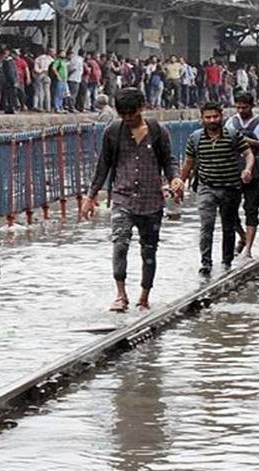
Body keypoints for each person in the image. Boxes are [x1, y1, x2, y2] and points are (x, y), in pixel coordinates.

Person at [81, 88, 183, 312]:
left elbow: (169, 161)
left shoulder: (157, 131)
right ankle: (121, 294)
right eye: (123, 114)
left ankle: (144, 297)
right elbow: (103, 166)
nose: (128, 118)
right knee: (120, 243)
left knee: (149, 250)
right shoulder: (113, 132)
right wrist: (91, 195)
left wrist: (175, 178)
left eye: (132, 113)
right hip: (122, 197)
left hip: (151, 200)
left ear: (142, 108)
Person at [179, 101, 255, 276]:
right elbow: (189, 162)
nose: (212, 120)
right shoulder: (195, 138)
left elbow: (248, 153)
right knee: (206, 226)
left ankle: (226, 262)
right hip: (207, 187)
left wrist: (248, 169)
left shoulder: (233, 135)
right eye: (208, 117)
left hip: (230, 188)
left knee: (228, 226)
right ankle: (206, 263)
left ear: (221, 116)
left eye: (215, 116)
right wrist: (180, 182)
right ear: (202, 118)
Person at [225, 92, 259, 260]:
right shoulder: (231, 123)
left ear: (252, 106)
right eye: (238, 107)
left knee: (251, 209)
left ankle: (248, 248)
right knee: (228, 208)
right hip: (233, 170)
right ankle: (242, 235)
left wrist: (251, 142)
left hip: (257, 172)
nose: (241, 111)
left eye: (244, 107)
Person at [33, 47, 53, 112]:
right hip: (47, 75)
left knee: (40, 91)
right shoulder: (51, 59)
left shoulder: (38, 59)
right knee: (47, 92)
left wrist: (41, 71)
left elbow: (36, 69)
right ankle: (48, 107)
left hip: (40, 75)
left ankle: (40, 106)